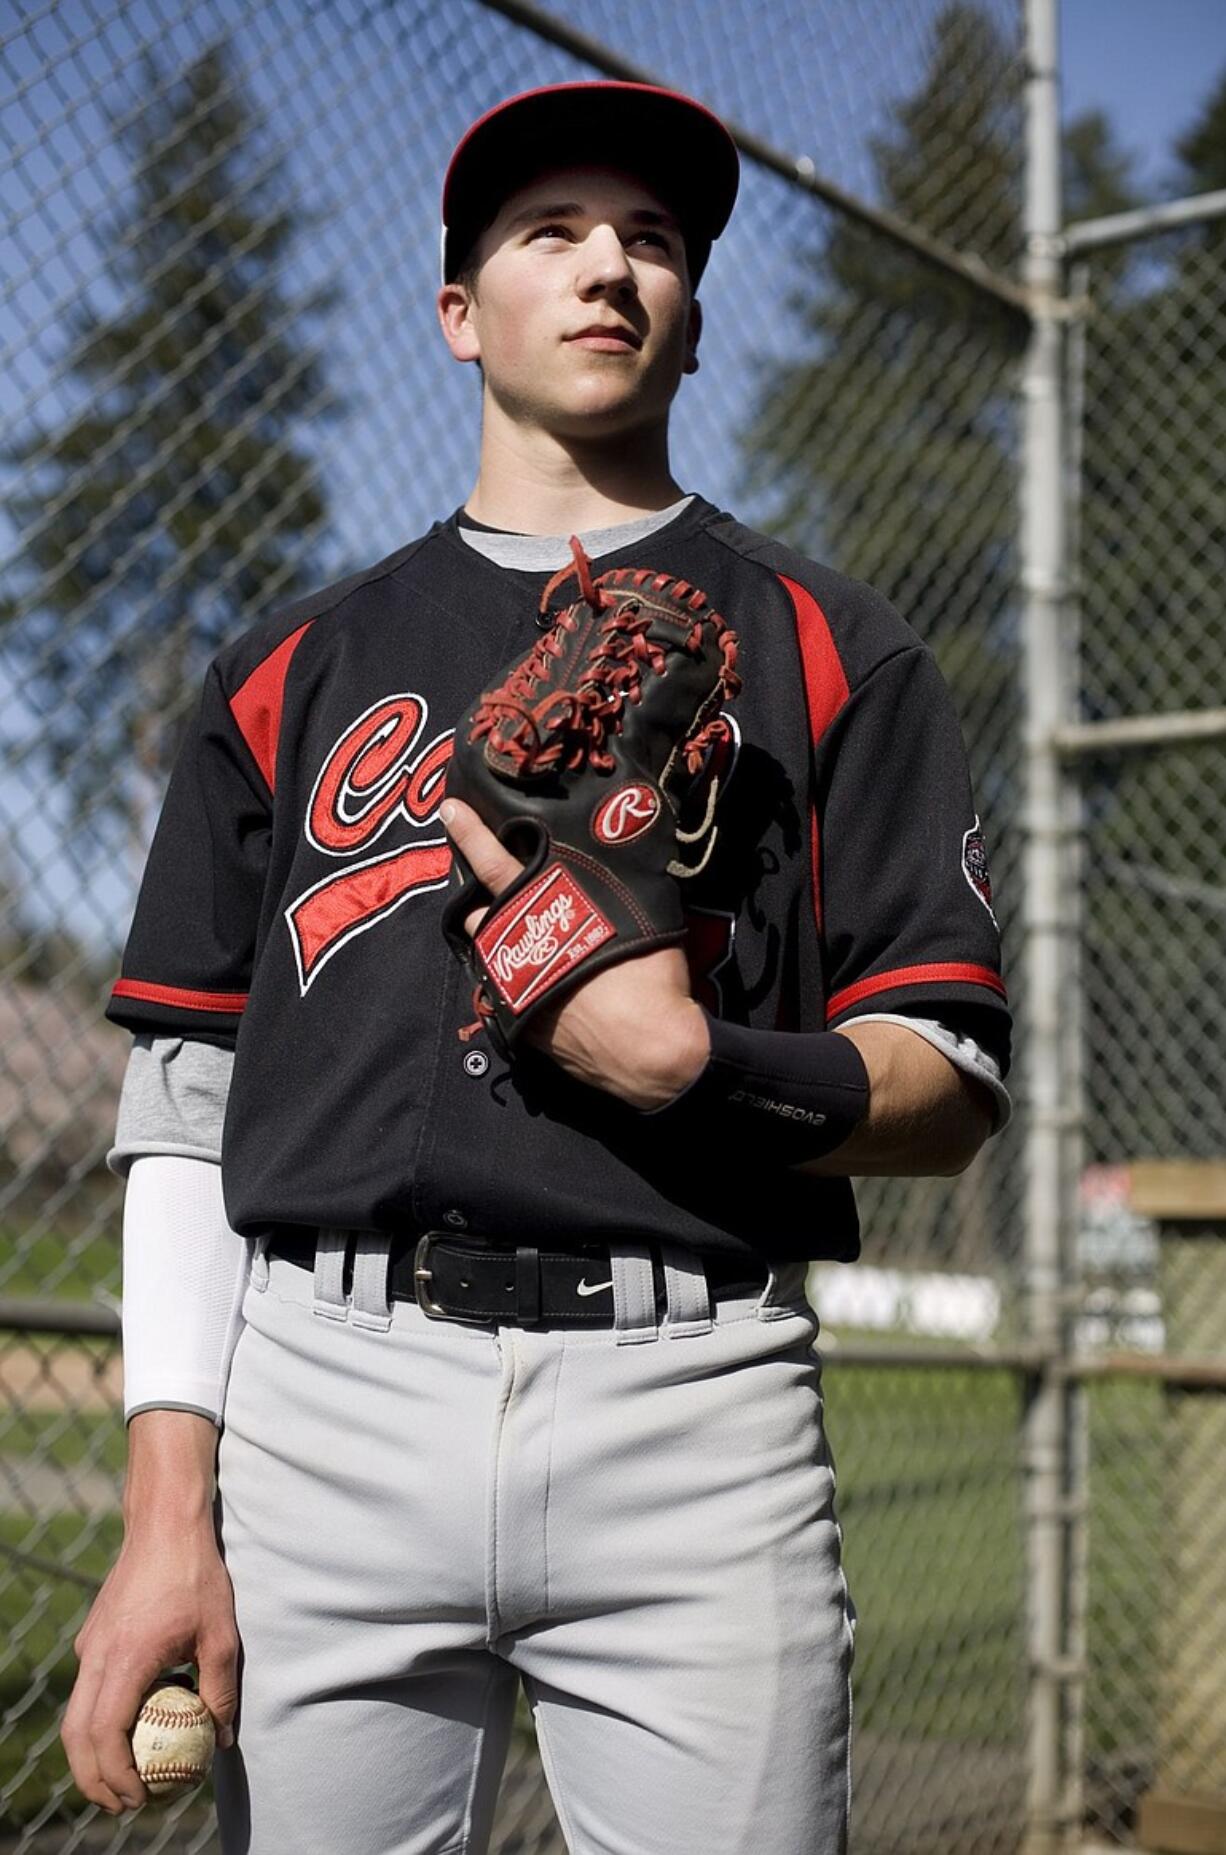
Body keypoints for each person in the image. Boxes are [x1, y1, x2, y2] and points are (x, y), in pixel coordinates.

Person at [62, 81, 1012, 1854]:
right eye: (551, 233)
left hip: (695, 1405)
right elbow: (186, 1104)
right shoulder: (298, 661)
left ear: (694, 315)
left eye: (653, 240)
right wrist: (163, 1515)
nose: (609, 269)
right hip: (326, 1405)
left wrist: (699, 1067)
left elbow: (948, 1078)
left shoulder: (831, 647)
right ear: (456, 312)